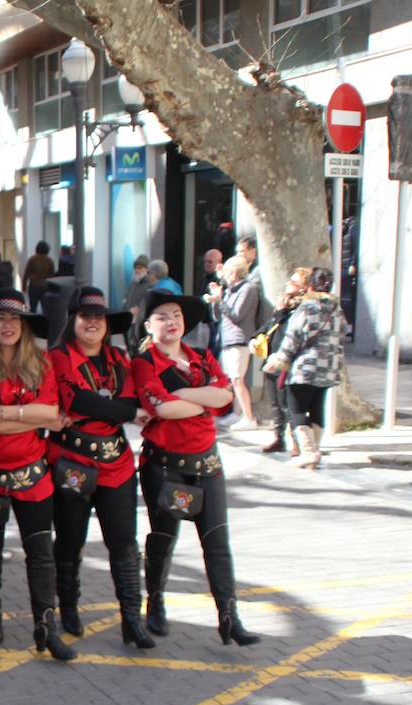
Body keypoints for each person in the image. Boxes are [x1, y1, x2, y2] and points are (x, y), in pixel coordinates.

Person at [133, 291, 260, 647]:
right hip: (165, 467)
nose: (171, 321)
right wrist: (204, 397)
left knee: (217, 543)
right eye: (161, 316)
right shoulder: (144, 363)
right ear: (148, 326)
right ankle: (154, 600)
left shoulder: (203, 356)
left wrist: (184, 396)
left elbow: (227, 398)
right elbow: (162, 409)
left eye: (176, 315)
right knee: (164, 539)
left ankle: (229, 616)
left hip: (208, 464)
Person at [0, 290, 76, 662]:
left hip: (32, 474)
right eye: (0, 319)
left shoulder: (41, 363)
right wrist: (31, 415)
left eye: (14, 320)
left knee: (41, 553)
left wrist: (7, 415)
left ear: (25, 326)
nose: (7, 325)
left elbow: (52, 414)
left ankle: (46, 626)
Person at [47, 288, 155, 650]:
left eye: (99, 317)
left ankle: (132, 620)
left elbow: (131, 398)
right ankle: (69, 608)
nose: (92, 322)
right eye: (85, 316)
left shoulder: (121, 358)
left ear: (107, 324)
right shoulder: (59, 357)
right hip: (71, 463)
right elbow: (76, 399)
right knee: (70, 541)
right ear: (73, 320)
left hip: (117, 465)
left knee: (124, 543)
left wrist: (110, 407)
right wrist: (122, 411)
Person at [263, 268, 345, 469]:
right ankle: (314, 449)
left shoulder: (307, 307)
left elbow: (292, 339)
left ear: (310, 286)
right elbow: (343, 332)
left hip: (305, 368)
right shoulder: (336, 308)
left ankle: (308, 452)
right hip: (329, 368)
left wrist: (277, 361)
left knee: (296, 408)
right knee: (317, 408)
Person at [255, 267, 310, 455]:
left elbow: (289, 331)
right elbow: (271, 325)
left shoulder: (302, 308)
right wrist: (258, 336)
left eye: (294, 283)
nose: (288, 285)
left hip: (287, 362)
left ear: (304, 288)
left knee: (287, 404)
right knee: (274, 403)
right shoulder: (285, 304)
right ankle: (278, 437)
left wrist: (280, 312)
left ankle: (296, 441)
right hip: (271, 357)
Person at [215, 256, 260, 429]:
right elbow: (218, 316)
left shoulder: (247, 289)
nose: (224, 276)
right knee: (232, 380)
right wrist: (215, 302)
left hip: (239, 339)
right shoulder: (230, 290)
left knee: (237, 379)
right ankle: (237, 413)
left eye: (226, 273)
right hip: (227, 338)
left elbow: (236, 315)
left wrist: (221, 301)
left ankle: (249, 418)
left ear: (234, 273)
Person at [23, 242, 57, 313]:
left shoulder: (32, 259)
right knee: (45, 309)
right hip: (45, 287)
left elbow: (26, 274)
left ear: (37, 249)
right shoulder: (49, 260)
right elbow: (53, 276)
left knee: (33, 308)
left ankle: (33, 323)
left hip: (33, 286)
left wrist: (24, 287)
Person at [123, 254, 152, 324]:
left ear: (147, 270)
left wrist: (139, 309)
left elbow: (149, 305)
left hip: (141, 323)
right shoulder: (133, 284)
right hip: (129, 321)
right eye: (135, 268)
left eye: (140, 268)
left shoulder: (151, 285)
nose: (137, 270)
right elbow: (126, 301)